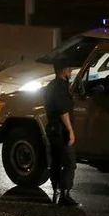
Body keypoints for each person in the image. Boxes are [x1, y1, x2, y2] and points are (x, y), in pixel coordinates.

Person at [43, 58, 80, 207]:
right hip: (61, 130)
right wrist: (70, 130)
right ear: (63, 70)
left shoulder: (50, 86)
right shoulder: (62, 87)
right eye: (69, 69)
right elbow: (63, 111)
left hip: (52, 128)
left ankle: (55, 191)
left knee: (56, 161)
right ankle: (65, 194)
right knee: (70, 163)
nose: (70, 72)